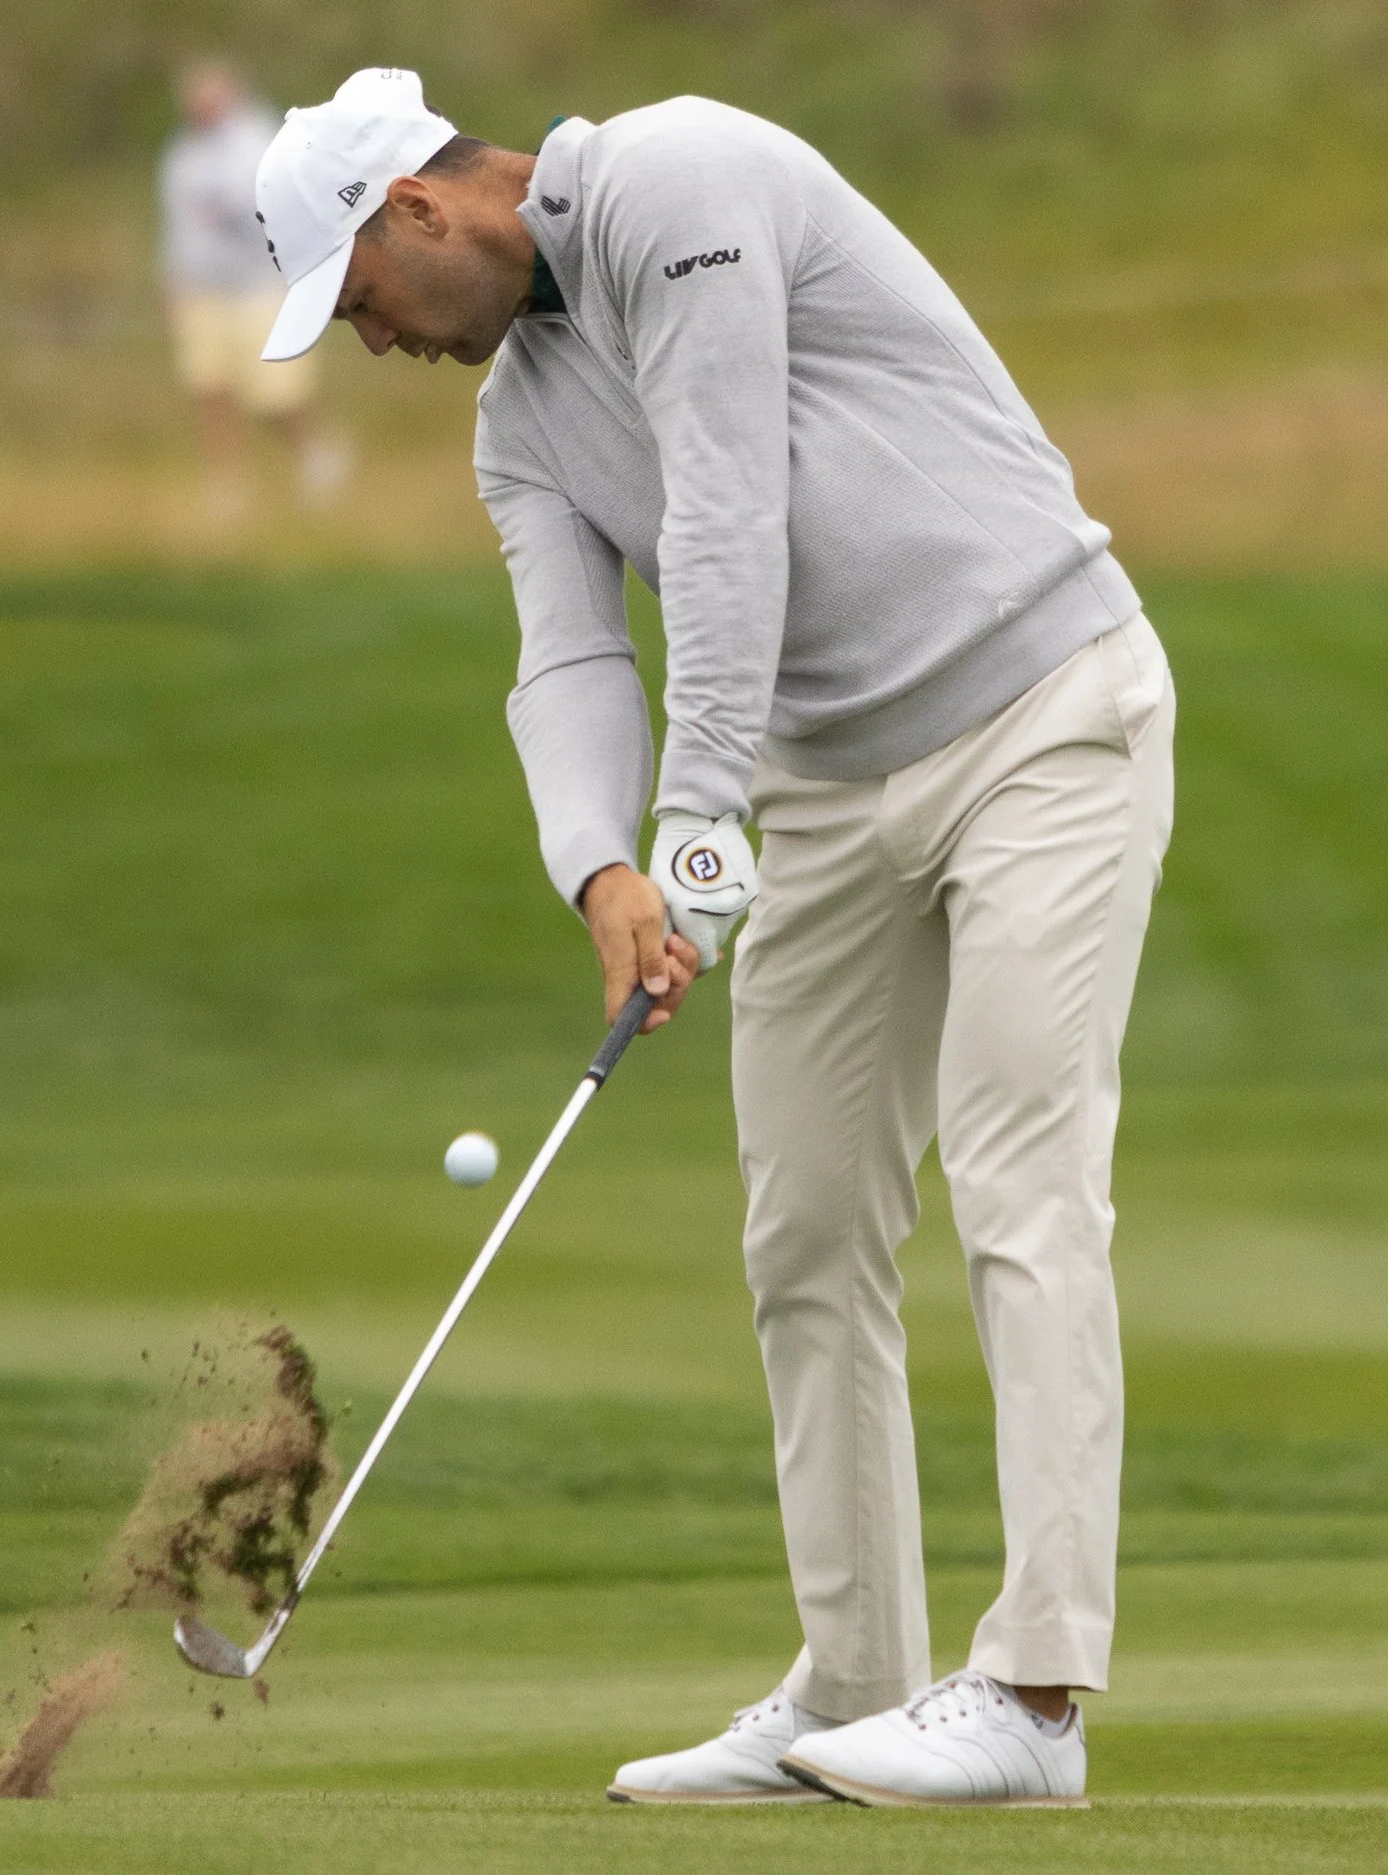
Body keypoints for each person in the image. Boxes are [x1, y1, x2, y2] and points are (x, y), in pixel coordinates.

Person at [254, 70, 1174, 1809]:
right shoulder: (519, 422)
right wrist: (604, 869)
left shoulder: (677, 181)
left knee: (1021, 1176)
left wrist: (694, 819)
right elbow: (567, 661)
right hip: (828, 784)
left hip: (1041, 710)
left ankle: (1036, 1696)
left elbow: (730, 508)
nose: (375, 342)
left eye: (362, 300)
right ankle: (856, 1684)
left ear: (418, 210)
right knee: (804, 1226)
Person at [158, 60, 348, 518]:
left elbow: (268, 209)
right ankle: (227, 485)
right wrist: (172, 281)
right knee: (211, 387)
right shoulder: (182, 154)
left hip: (257, 286)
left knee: (275, 395)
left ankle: (316, 452)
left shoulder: (259, 141)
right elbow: (176, 227)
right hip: (202, 289)